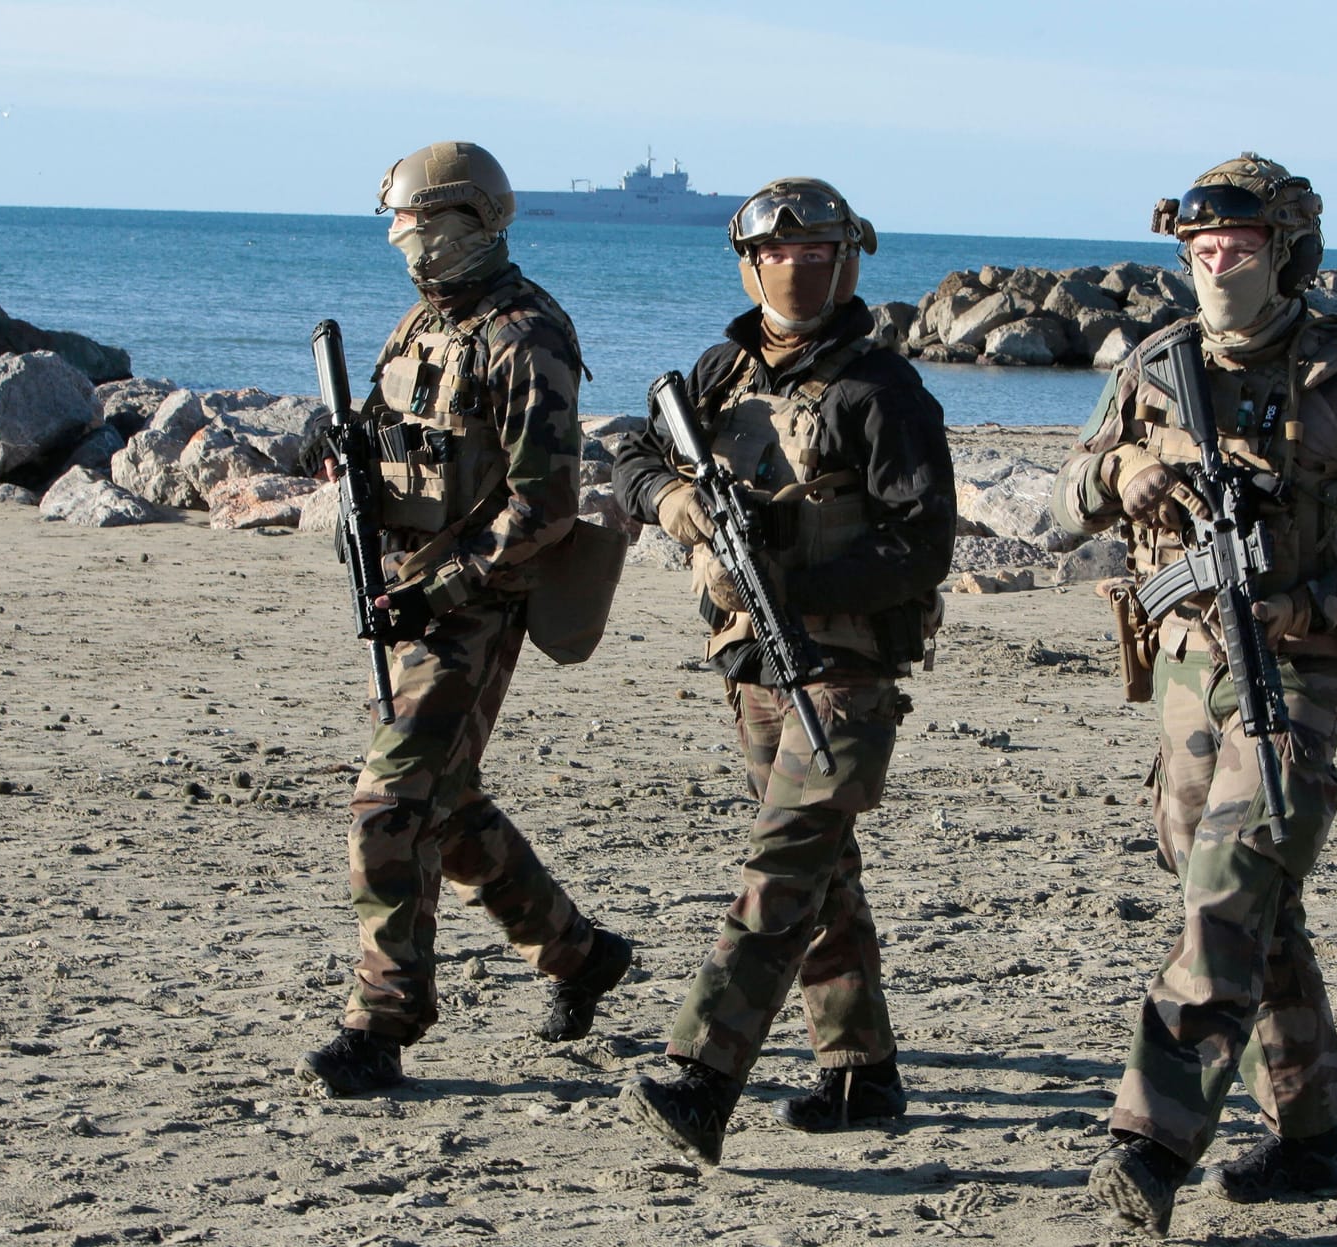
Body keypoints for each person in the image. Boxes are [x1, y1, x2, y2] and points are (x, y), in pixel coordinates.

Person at [1051, 152, 1337, 1236]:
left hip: (1303, 670)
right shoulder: (1152, 367)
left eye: (1236, 244)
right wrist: (1121, 474)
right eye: (1199, 245)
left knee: (1230, 890)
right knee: (1255, 902)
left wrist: (1312, 600)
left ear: (1286, 250)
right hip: (1185, 668)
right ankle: (1312, 1136)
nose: (1214, 259)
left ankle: (1150, 1138)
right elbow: (1068, 493)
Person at [609, 177, 956, 1164]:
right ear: (748, 262)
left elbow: (923, 543)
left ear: (848, 262)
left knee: (783, 866)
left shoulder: (880, 389)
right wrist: (679, 510)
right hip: (753, 662)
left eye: (819, 253)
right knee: (821, 870)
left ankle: (703, 1075)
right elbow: (635, 449)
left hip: (843, 670)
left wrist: (789, 569)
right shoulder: (722, 368)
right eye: (780, 252)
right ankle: (860, 1070)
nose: (798, 269)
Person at [298, 141, 633, 1096]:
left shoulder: (528, 338)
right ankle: (578, 955)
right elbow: (395, 439)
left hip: (475, 606)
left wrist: (441, 592)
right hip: (406, 591)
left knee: (389, 805)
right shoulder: (422, 327)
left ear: (468, 223)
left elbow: (544, 509)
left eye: (419, 223)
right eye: (399, 224)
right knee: (447, 807)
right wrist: (341, 442)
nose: (404, 241)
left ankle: (383, 1023)